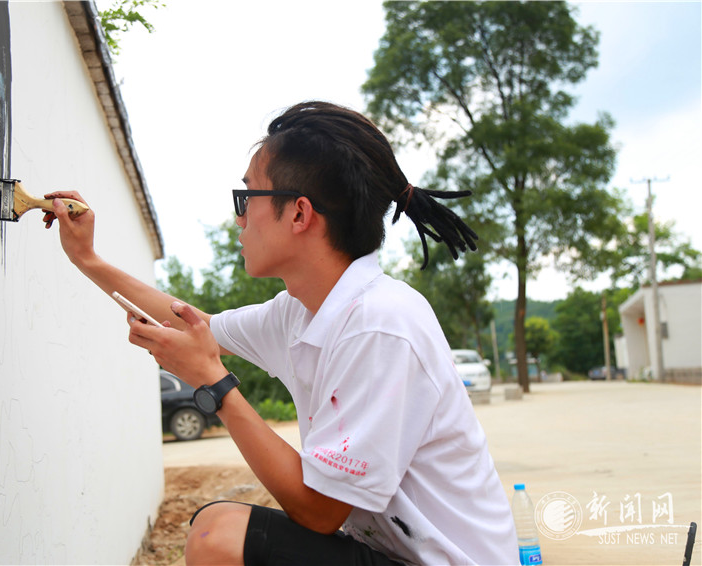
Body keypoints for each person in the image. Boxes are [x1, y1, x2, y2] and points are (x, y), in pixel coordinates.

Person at [45, 101, 518, 566]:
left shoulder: (380, 326)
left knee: (218, 537)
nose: (239, 218)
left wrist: (213, 383)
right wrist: (87, 259)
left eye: (246, 198)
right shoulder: (303, 311)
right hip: (388, 552)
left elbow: (320, 511)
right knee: (216, 526)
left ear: (299, 214)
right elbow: (197, 325)